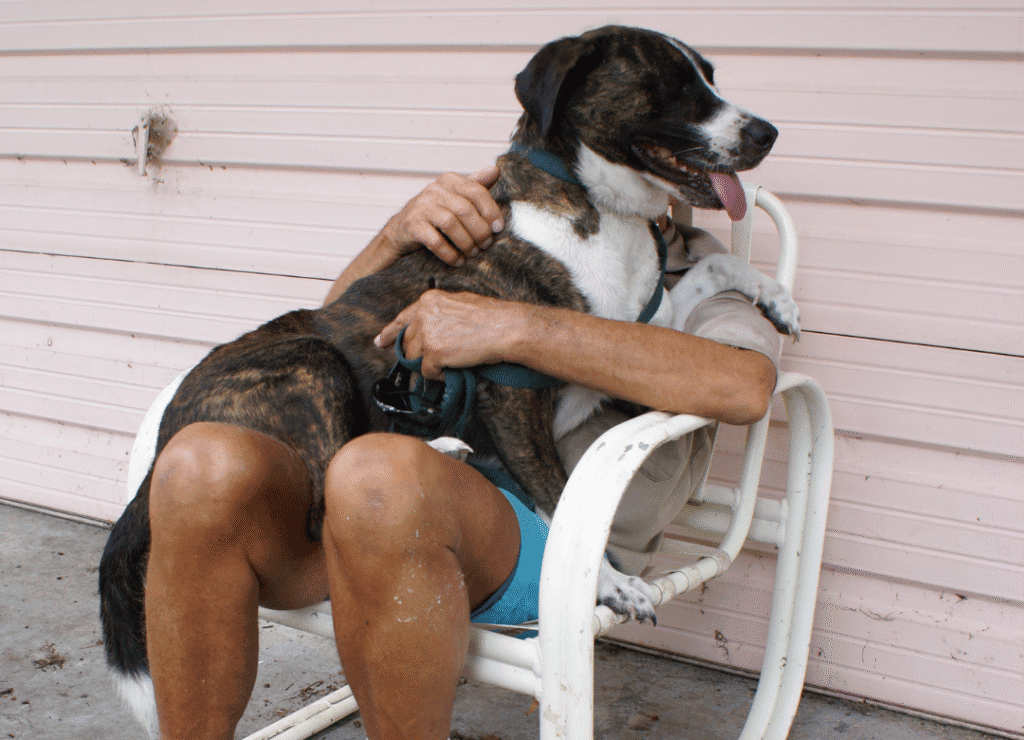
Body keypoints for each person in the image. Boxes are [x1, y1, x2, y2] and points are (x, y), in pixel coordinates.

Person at [143, 164, 782, 740]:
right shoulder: (510, 246)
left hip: (548, 535)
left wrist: (513, 325)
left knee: (378, 477)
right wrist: (394, 239)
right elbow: (340, 336)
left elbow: (744, 383)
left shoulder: (693, 270)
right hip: (370, 514)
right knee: (200, 462)